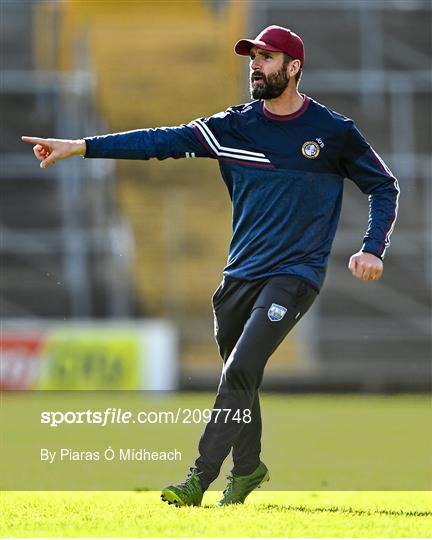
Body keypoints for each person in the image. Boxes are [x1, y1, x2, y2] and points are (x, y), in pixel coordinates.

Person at [22, 25, 399, 507]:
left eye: (266, 58)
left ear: (294, 67)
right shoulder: (233, 126)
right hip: (237, 279)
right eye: (252, 58)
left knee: (241, 366)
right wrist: (80, 146)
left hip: (294, 276)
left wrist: (372, 246)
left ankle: (199, 477)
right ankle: (248, 468)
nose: (255, 66)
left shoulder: (333, 133)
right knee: (241, 379)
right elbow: (161, 141)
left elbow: (384, 186)